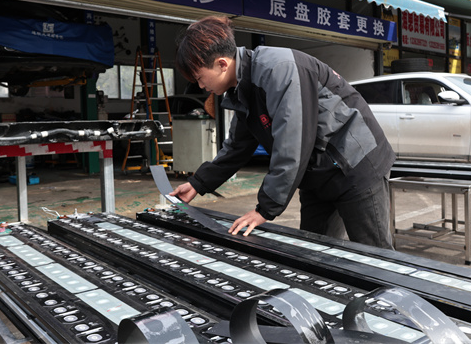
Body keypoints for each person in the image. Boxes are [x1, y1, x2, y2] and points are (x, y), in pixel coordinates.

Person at [169, 15, 396, 249]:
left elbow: (293, 143)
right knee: (315, 253)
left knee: (375, 256)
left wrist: (264, 209)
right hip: (316, 174)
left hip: (354, 164)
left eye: (199, 78)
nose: (201, 86)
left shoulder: (278, 69)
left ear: (222, 64)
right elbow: (237, 147)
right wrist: (197, 183)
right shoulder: (241, 89)